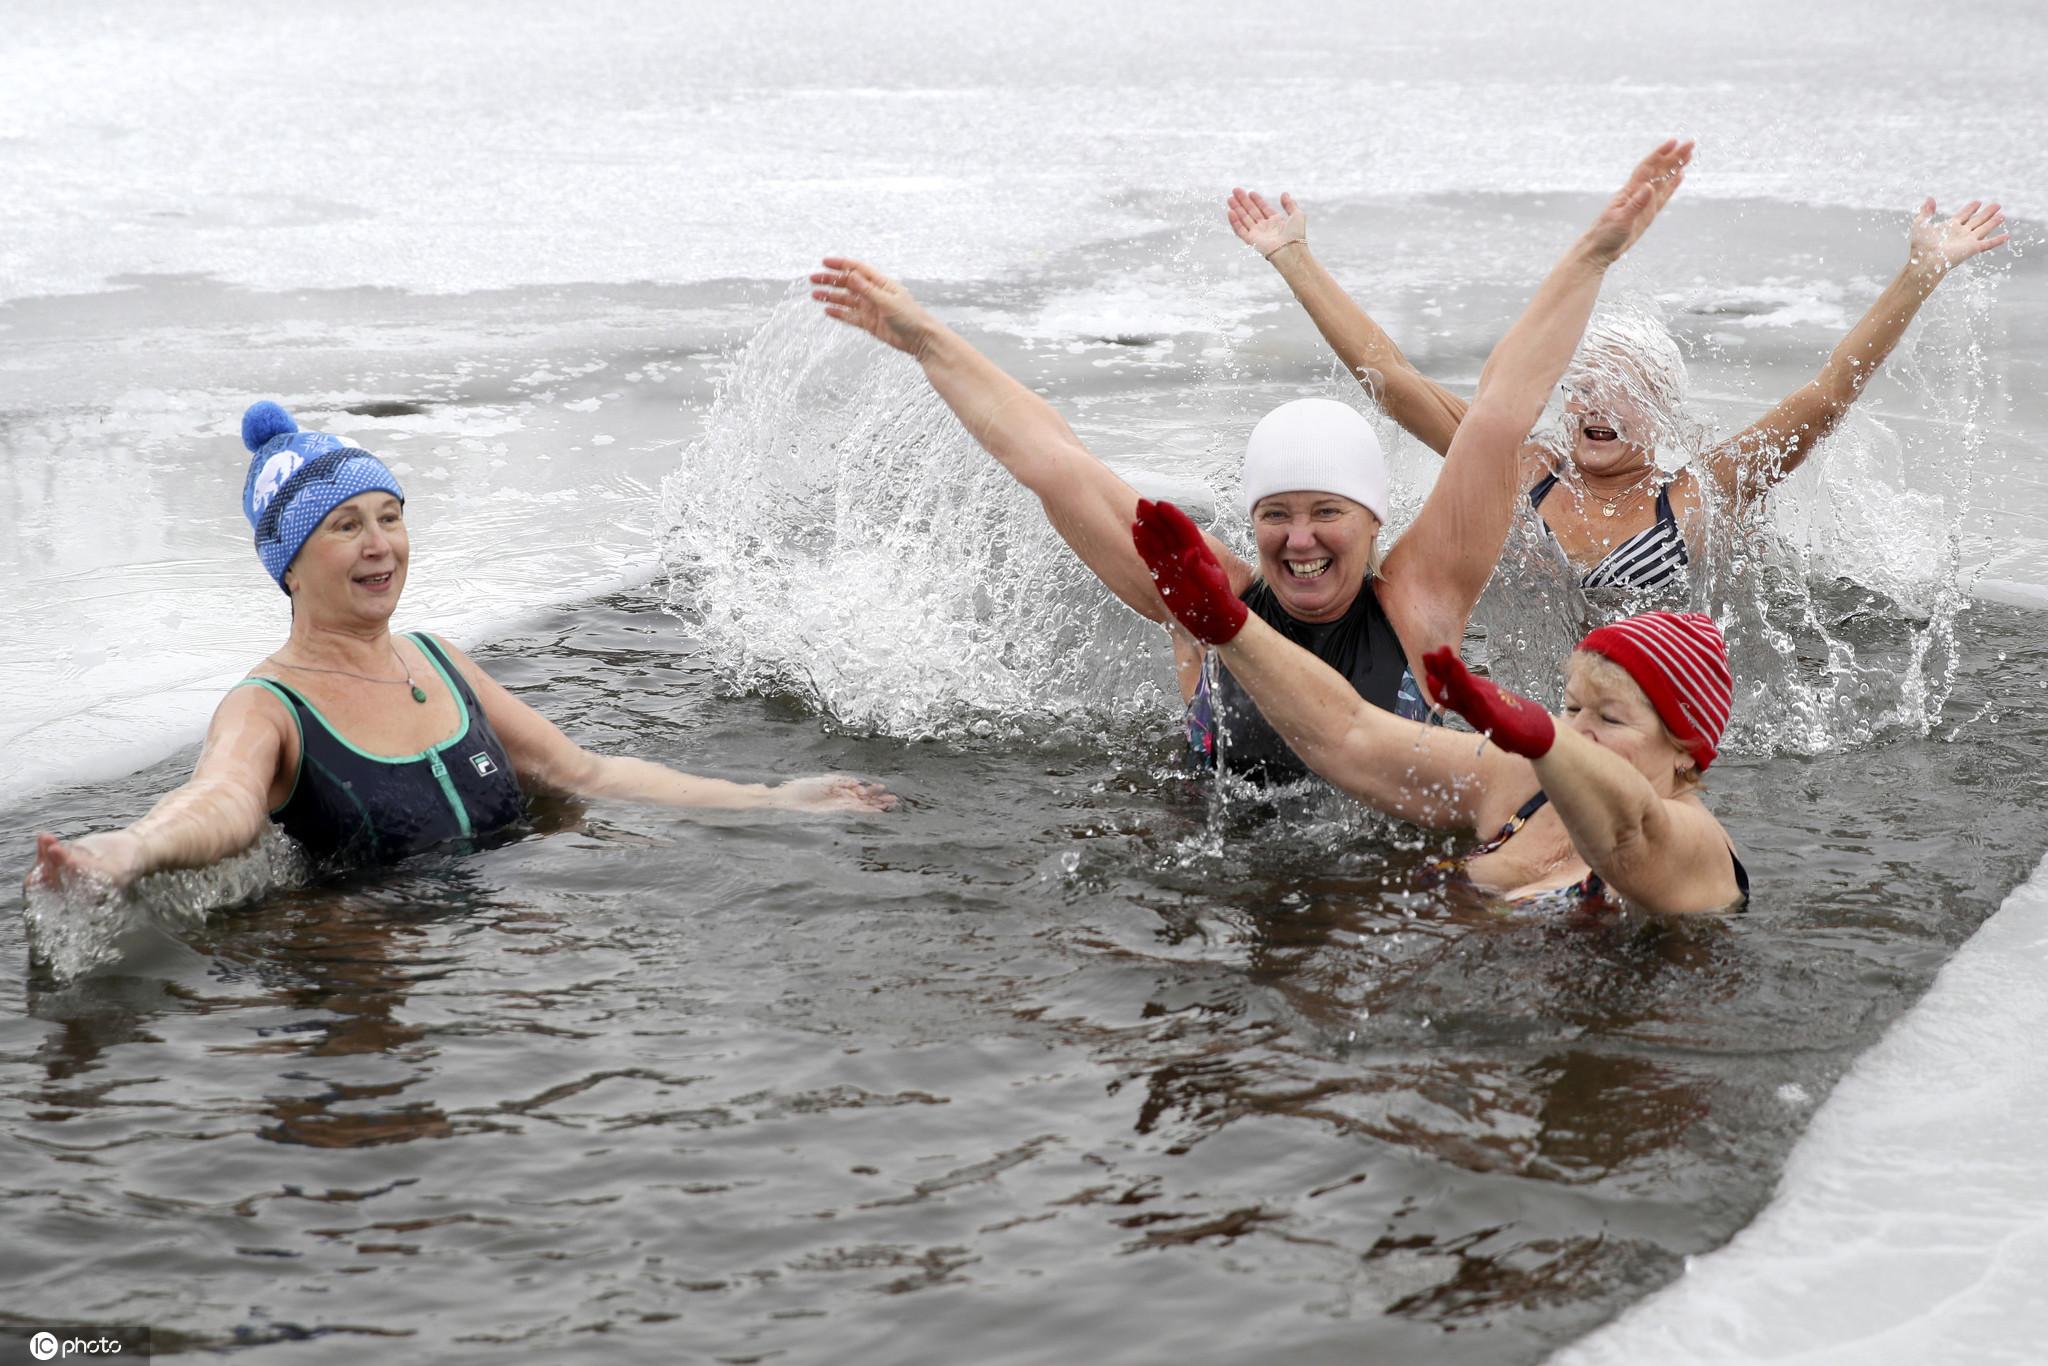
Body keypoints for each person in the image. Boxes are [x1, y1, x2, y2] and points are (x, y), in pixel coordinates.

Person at [814, 141, 1691, 781]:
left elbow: (1501, 413)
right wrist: (926, 340)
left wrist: (1592, 256)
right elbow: (1052, 461)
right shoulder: (1208, 601)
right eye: (1277, 514)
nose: (1300, 540)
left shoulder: (1421, 601)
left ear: (1374, 521)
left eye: (1325, 512)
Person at [25, 402, 895, 896]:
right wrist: (129, 849)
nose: (381, 545)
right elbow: (220, 803)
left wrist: (773, 798)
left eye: (392, 518)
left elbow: (585, 773)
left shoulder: (440, 660)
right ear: (289, 566)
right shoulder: (267, 707)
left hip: (498, 924)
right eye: (346, 527)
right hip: (362, 952)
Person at [1227, 185, 2010, 596]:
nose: (1594, 403)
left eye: (1624, 389)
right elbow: (1393, 381)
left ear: (1663, 407)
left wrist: (1921, 273)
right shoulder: (1520, 469)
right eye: (1583, 386)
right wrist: (1292, 256)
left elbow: (1830, 393)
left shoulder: (1706, 492)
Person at [1132, 498, 1745, 914]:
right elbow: (1351, 736)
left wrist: (1545, 740)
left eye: (1609, 719)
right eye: (1570, 708)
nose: (1578, 731)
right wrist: (1233, 628)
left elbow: (1629, 829)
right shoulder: (1523, 779)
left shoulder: (1698, 845)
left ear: (1688, 751)